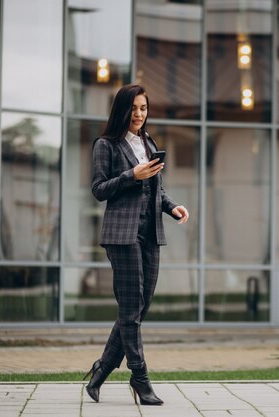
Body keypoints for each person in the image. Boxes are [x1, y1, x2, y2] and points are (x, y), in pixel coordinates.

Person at [84, 84, 189, 406]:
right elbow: (99, 189)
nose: (139, 115)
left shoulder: (149, 142)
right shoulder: (106, 145)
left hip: (149, 234)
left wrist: (172, 207)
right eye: (134, 109)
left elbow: (157, 188)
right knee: (131, 309)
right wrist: (132, 174)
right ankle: (140, 377)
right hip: (121, 235)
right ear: (122, 111)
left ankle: (101, 369)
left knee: (139, 308)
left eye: (144, 108)